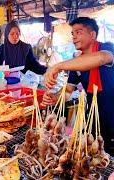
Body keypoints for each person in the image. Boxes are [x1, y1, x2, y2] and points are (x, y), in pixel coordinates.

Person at [43, 17, 114, 156]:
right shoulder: (76, 63)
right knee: (91, 155)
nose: (74, 37)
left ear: (92, 35)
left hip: (112, 117)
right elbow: (68, 91)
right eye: (72, 33)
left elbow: (101, 58)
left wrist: (58, 66)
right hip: (93, 118)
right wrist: (55, 97)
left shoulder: (107, 48)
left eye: (79, 32)